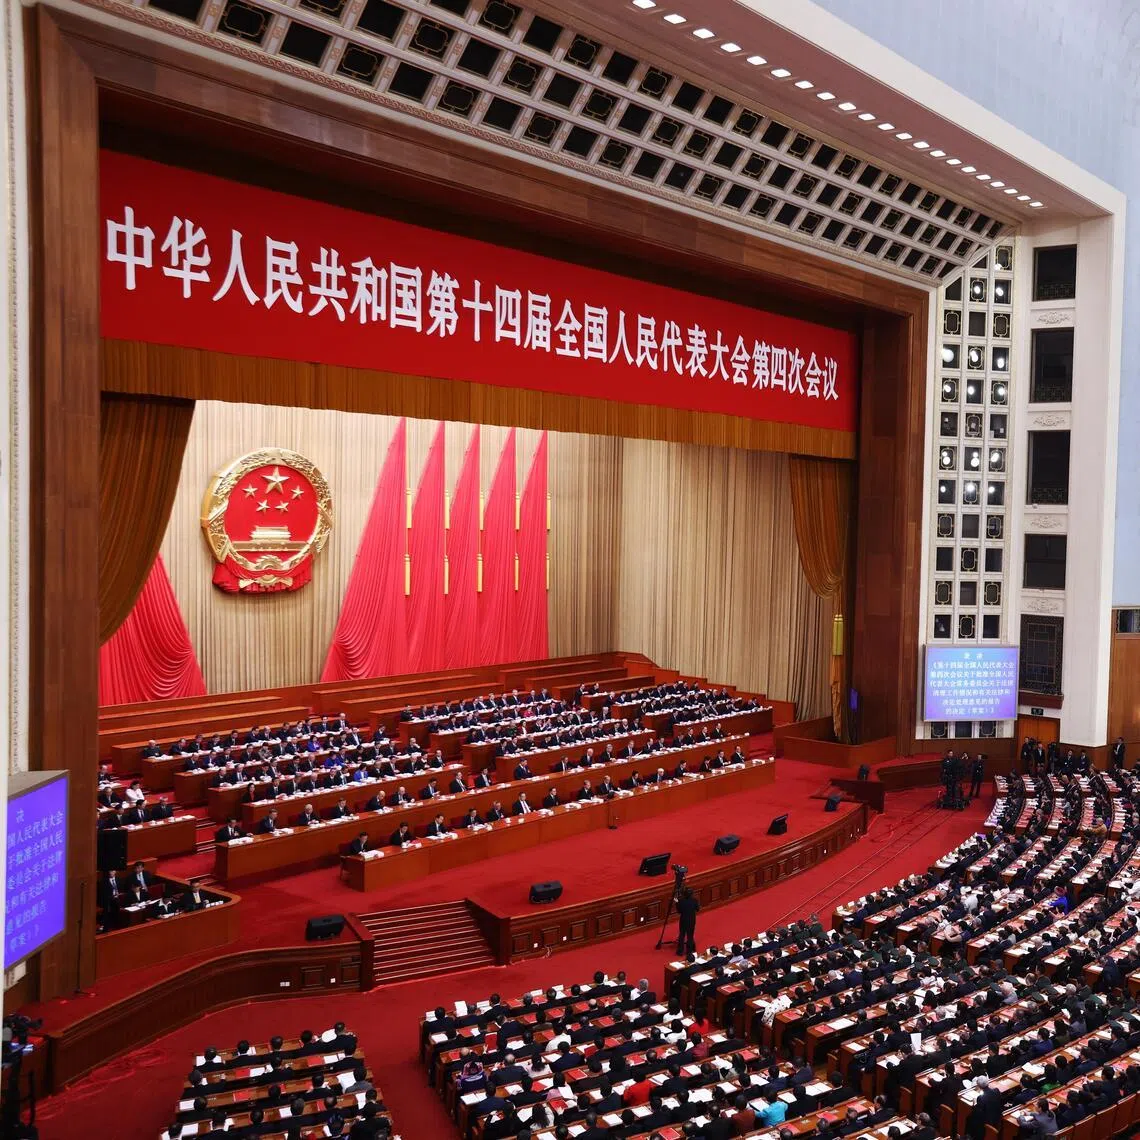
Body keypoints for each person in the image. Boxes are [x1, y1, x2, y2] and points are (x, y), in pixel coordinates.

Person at [676, 886, 700, 956]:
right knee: (690, 936)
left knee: (682, 935)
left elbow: (679, 911)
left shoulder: (681, 901)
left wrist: (677, 903)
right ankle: (689, 951)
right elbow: (697, 909)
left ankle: (680, 951)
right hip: (691, 920)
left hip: (683, 920)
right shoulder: (694, 900)